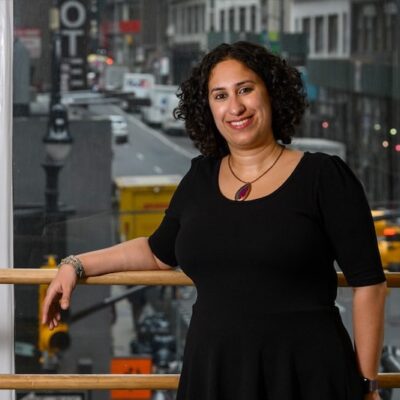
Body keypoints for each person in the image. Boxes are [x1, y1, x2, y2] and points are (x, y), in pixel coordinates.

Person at [42, 41, 387, 400]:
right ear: (207, 107)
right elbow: (157, 252)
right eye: (220, 96)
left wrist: (367, 385)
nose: (235, 107)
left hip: (305, 374)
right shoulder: (200, 179)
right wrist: (75, 265)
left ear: (272, 92)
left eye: (245, 89)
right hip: (213, 372)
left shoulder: (324, 176)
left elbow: (369, 285)